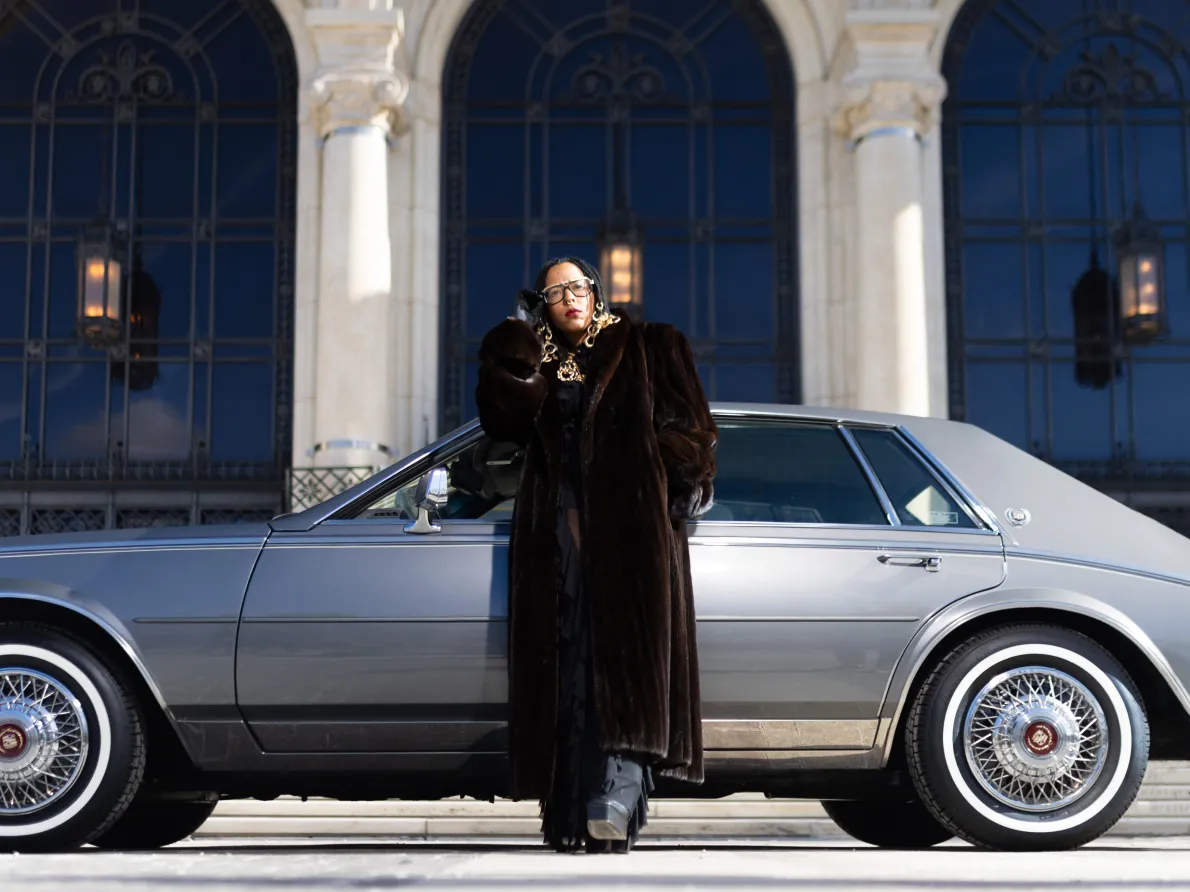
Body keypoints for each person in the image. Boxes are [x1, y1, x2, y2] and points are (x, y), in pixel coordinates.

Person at [475, 256, 716, 853]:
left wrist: (651, 473)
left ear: (597, 292)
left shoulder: (652, 346)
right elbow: (501, 420)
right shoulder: (541, 365)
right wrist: (516, 345)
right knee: (569, 667)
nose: (569, 299)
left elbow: (695, 433)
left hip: (631, 530)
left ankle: (617, 792)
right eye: (554, 293)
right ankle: (571, 815)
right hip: (554, 535)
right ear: (542, 305)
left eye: (577, 287)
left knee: (626, 662)